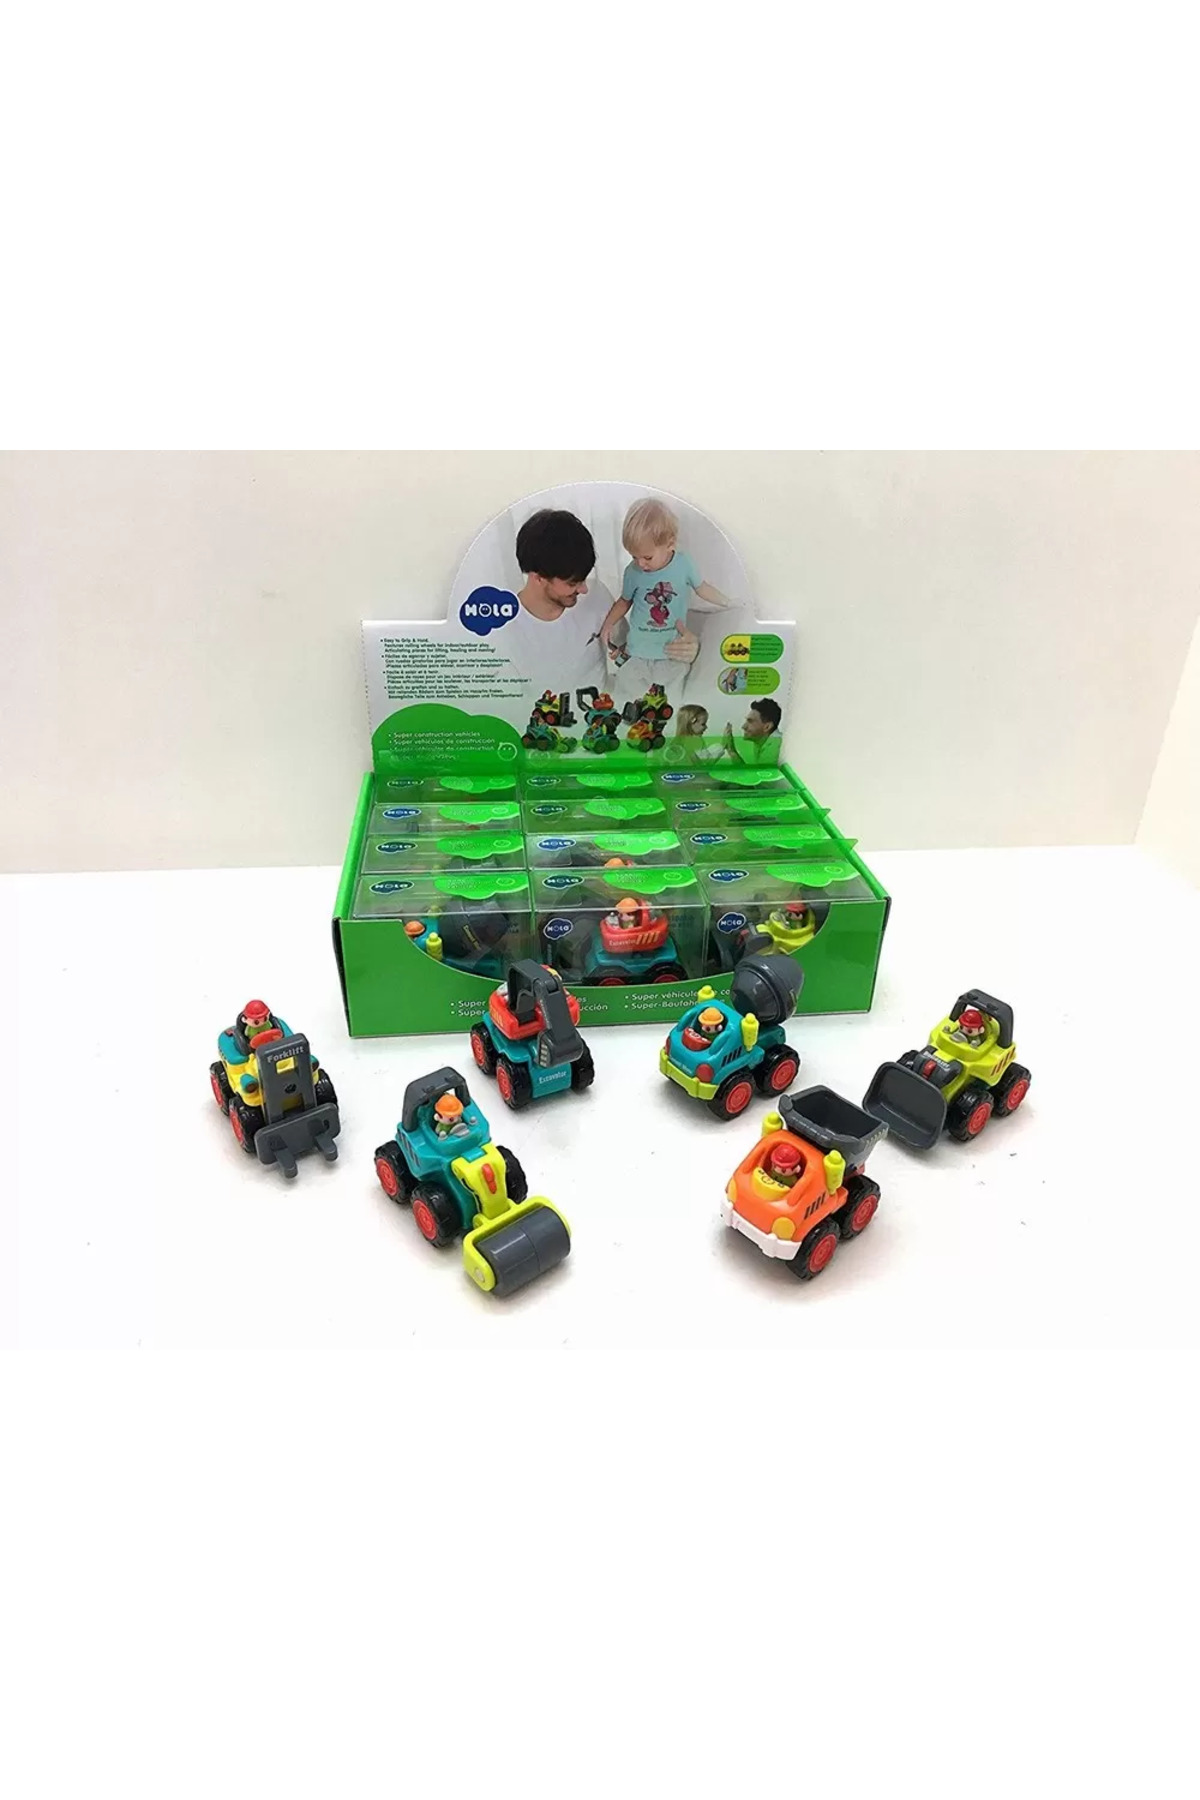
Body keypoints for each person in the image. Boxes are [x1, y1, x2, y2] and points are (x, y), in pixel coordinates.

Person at [497, 507, 700, 695]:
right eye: (573, 583)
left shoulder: (596, 595)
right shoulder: (504, 633)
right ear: (538, 578)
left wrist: (685, 648)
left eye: (584, 579)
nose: (584, 589)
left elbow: (634, 650)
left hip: (606, 711)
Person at [598, 498, 731, 704]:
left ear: (670, 544)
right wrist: (608, 624)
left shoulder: (684, 564)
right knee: (626, 701)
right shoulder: (633, 572)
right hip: (637, 653)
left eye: (647, 557)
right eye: (634, 557)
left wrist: (728, 602)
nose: (640, 564)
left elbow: (702, 588)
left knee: (668, 705)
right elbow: (624, 601)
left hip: (671, 654)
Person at [722, 697, 782, 765]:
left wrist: (732, 751)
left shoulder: (774, 748)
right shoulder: (762, 742)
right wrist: (731, 750)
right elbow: (754, 771)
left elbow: (754, 772)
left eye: (750, 721)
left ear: (767, 727)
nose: (743, 727)